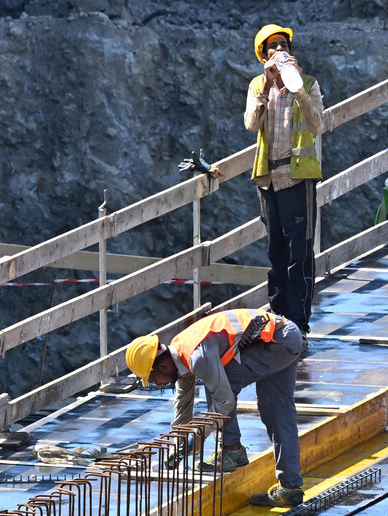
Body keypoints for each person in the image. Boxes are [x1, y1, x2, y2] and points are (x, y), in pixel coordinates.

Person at [125, 308, 306, 507]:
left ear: (163, 367)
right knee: (278, 413)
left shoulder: (198, 358)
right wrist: (179, 440)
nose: (158, 385)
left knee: (219, 386)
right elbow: (183, 402)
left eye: (153, 380)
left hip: (276, 341)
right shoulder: (180, 350)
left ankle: (231, 451)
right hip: (286, 336)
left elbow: (224, 400)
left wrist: (198, 436)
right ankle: (289, 488)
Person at [244, 24, 325, 341]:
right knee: (276, 251)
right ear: (263, 55)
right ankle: (277, 320)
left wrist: (298, 90)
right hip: (268, 179)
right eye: (272, 47)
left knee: (299, 252)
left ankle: (299, 323)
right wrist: (267, 83)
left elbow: (318, 124)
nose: (279, 51)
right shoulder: (256, 85)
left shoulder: (307, 83)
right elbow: (252, 124)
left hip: (297, 176)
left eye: (284, 45)